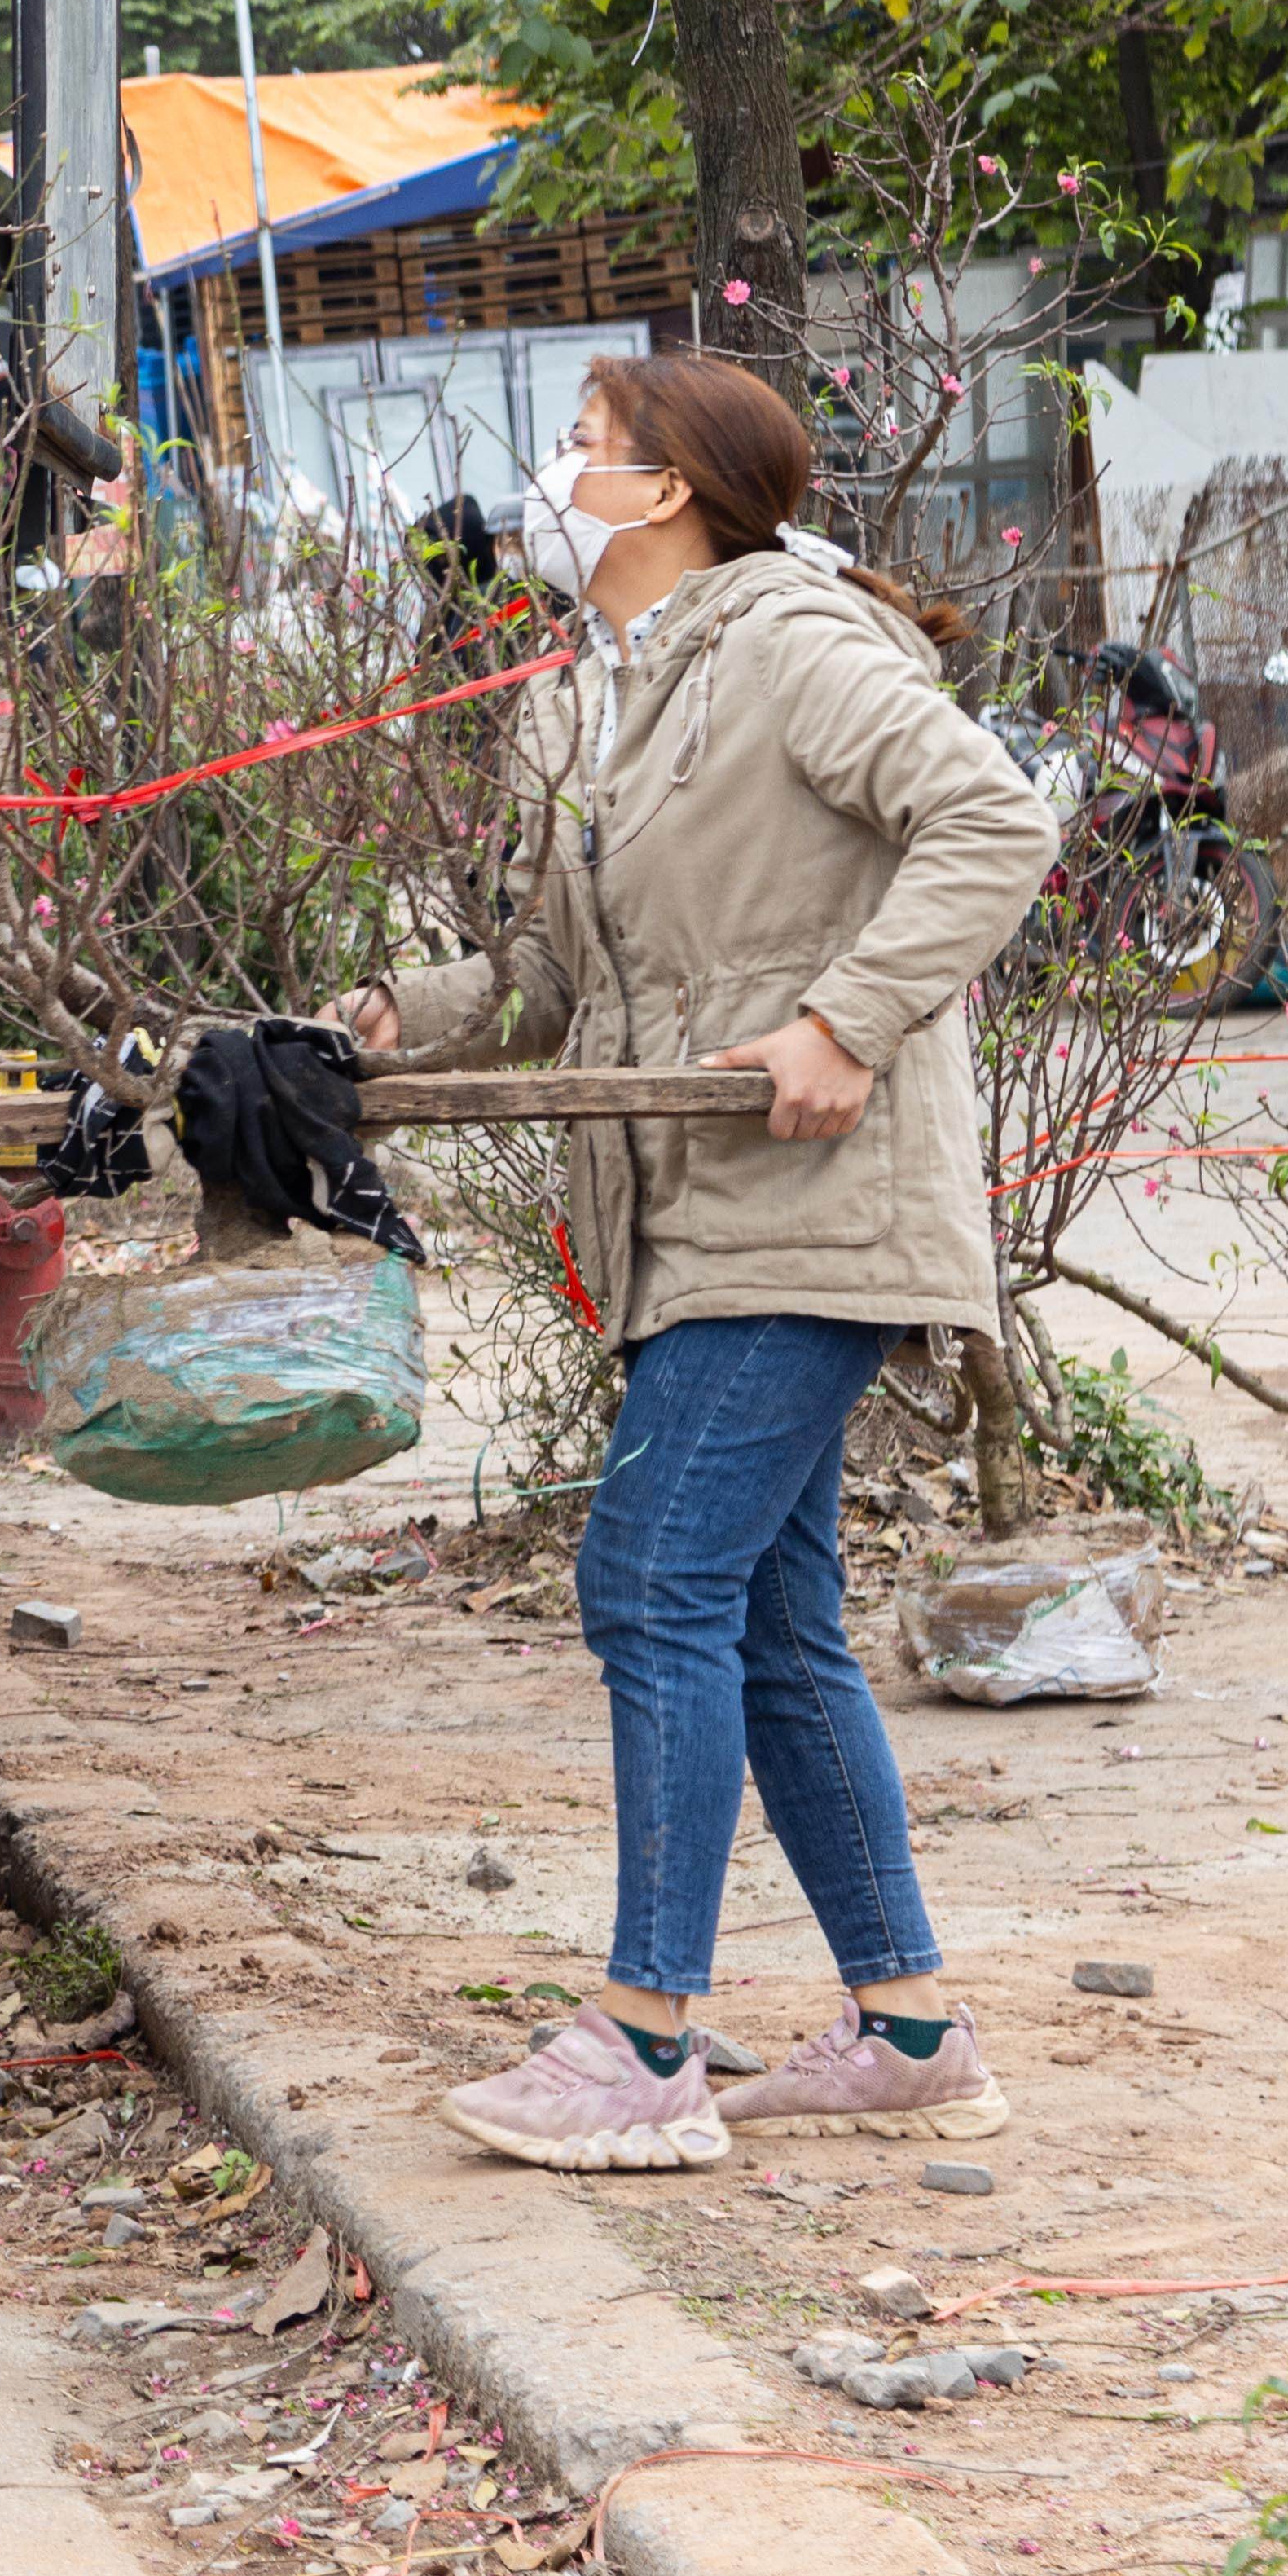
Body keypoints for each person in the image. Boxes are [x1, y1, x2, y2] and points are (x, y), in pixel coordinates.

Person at [336, 349, 1054, 2173]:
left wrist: (847, 1018)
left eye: (580, 445)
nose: (553, 474)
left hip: (813, 1208)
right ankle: (904, 2023)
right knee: (768, 1615)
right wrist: (387, 1021)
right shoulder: (584, 709)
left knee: (648, 1581)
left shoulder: (793, 643)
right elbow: (555, 986)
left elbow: (996, 821)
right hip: (686, 1225)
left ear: (665, 492)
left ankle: (646, 2038)